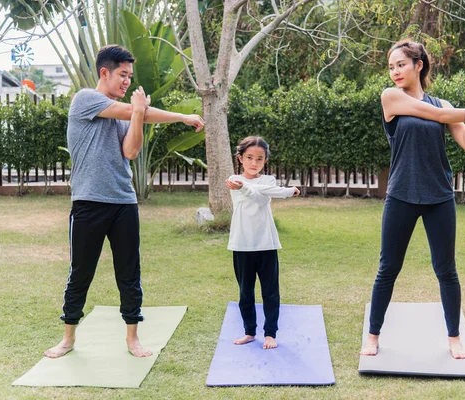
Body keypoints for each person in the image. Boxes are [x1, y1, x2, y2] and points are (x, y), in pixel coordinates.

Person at [360, 39, 465, 359]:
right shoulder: (391, 97)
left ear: (419, 65)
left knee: (446, 270)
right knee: (388, 268)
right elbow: (430, 114)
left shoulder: (446, 105)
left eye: (401, 65)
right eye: (391, 67)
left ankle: (454, 337)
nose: (394, 72)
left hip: (438, 197)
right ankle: (373, 335)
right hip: (402, 194)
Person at [44, 44, 204, 359]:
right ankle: (68, 338)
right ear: (105, 72)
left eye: (130, 76)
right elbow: (133, 112)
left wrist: (138, 113)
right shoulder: (86, 99)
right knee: (81, 272)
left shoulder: (125, 114)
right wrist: (182, 116)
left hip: (123, 203)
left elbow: (130, 151)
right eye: (123, 74)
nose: (127, 81)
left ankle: (133, 338)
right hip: (89, 203)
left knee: (129, 272)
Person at [225, 136, 300, 349]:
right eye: (249, 157)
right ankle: (249, 332)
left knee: (270, 291)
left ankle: (270, 334)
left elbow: (261, 198)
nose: (254, 163)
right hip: (242, 245)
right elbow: (254, 195)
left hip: (266, 244)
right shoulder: (233, 179)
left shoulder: (268, 181)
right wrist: (288, 191)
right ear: (240, 158)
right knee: (245, 292)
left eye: (259, 159)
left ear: (265, 161)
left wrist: (282, 191)